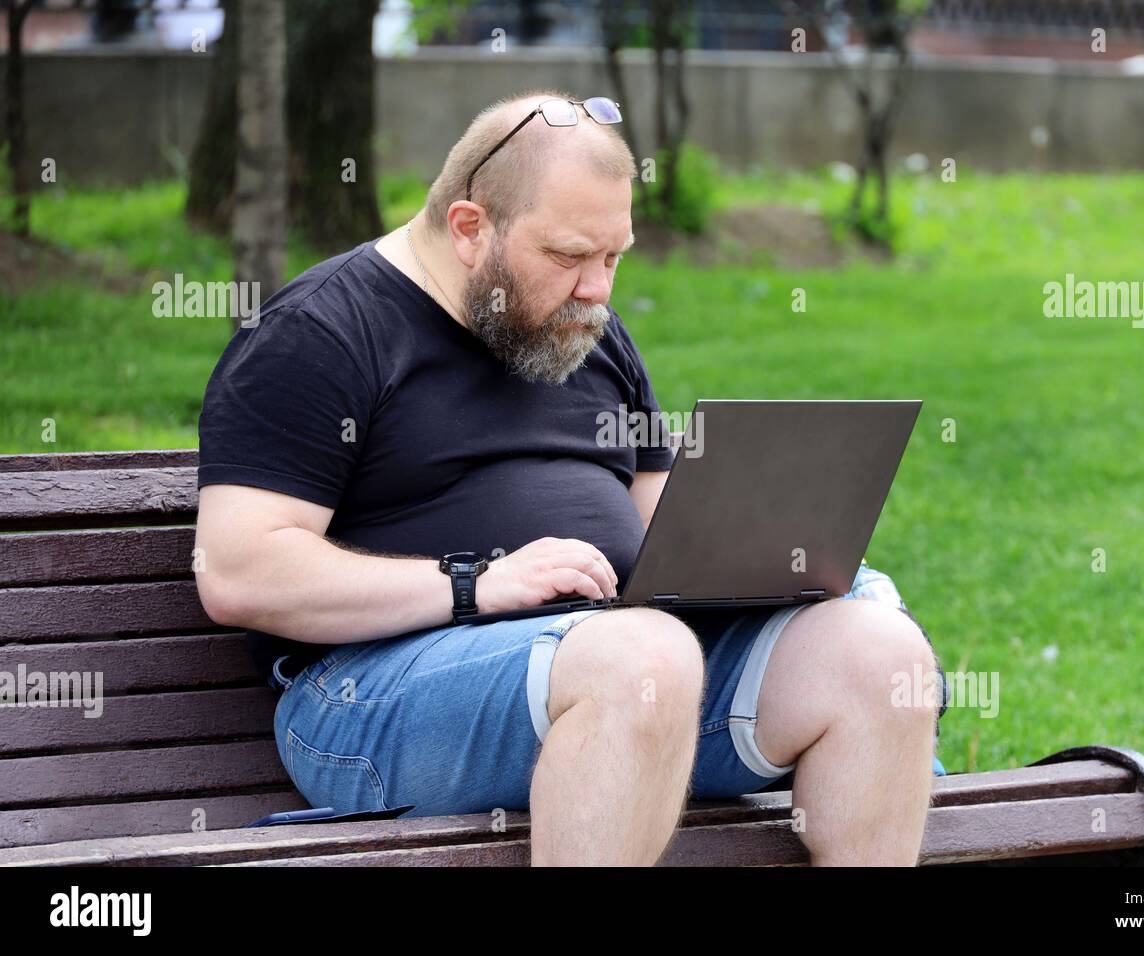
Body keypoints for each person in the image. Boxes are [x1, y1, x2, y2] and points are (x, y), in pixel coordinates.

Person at [195, 89, 947, 866]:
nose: (597, 290)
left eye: (613, 256)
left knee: (875, 652)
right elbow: (239, 570)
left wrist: (787, 561)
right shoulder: (321, 331)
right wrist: (475, 583)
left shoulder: (584, 332)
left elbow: (668, 529)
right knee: (639, 657)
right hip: (366, 699)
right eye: (566, 256)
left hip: (625, 668)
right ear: (468, 227)